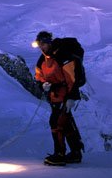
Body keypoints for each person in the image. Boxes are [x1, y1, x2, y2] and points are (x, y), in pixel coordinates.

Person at [33, 31, 84, 166]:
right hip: (54, 96)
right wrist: (43, 85)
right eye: (40, 45)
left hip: (65, 95)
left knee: (56, 122)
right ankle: (75, 153)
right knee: (65, 122)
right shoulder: (43, 60)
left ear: (49, 42)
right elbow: (39, 76)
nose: (41, 47)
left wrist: (71, 97)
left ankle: (60, 154)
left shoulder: (62, 55)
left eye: (43, 44)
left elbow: (71, 78)